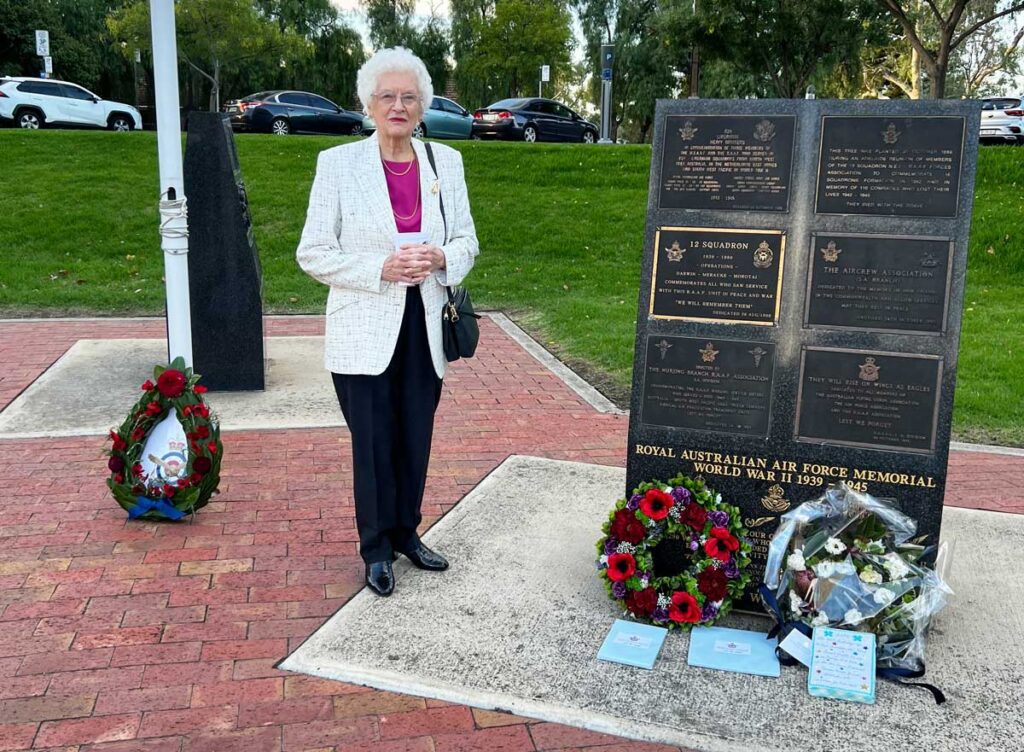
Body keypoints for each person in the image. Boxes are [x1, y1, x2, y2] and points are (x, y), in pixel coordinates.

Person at [296, 47, 479, 596]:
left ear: (422, 106)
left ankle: (407, 533)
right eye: (387, 96)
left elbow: (467, 239)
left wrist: (442, 257)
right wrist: (381, 266)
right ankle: (375, 549)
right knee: (373, 441)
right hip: (364, 327)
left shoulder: (446, 162)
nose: (399, 106)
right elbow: (313, 252)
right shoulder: (338, 164)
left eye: (409, 97)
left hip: (424, 322)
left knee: (415, 435)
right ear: (368, 104)